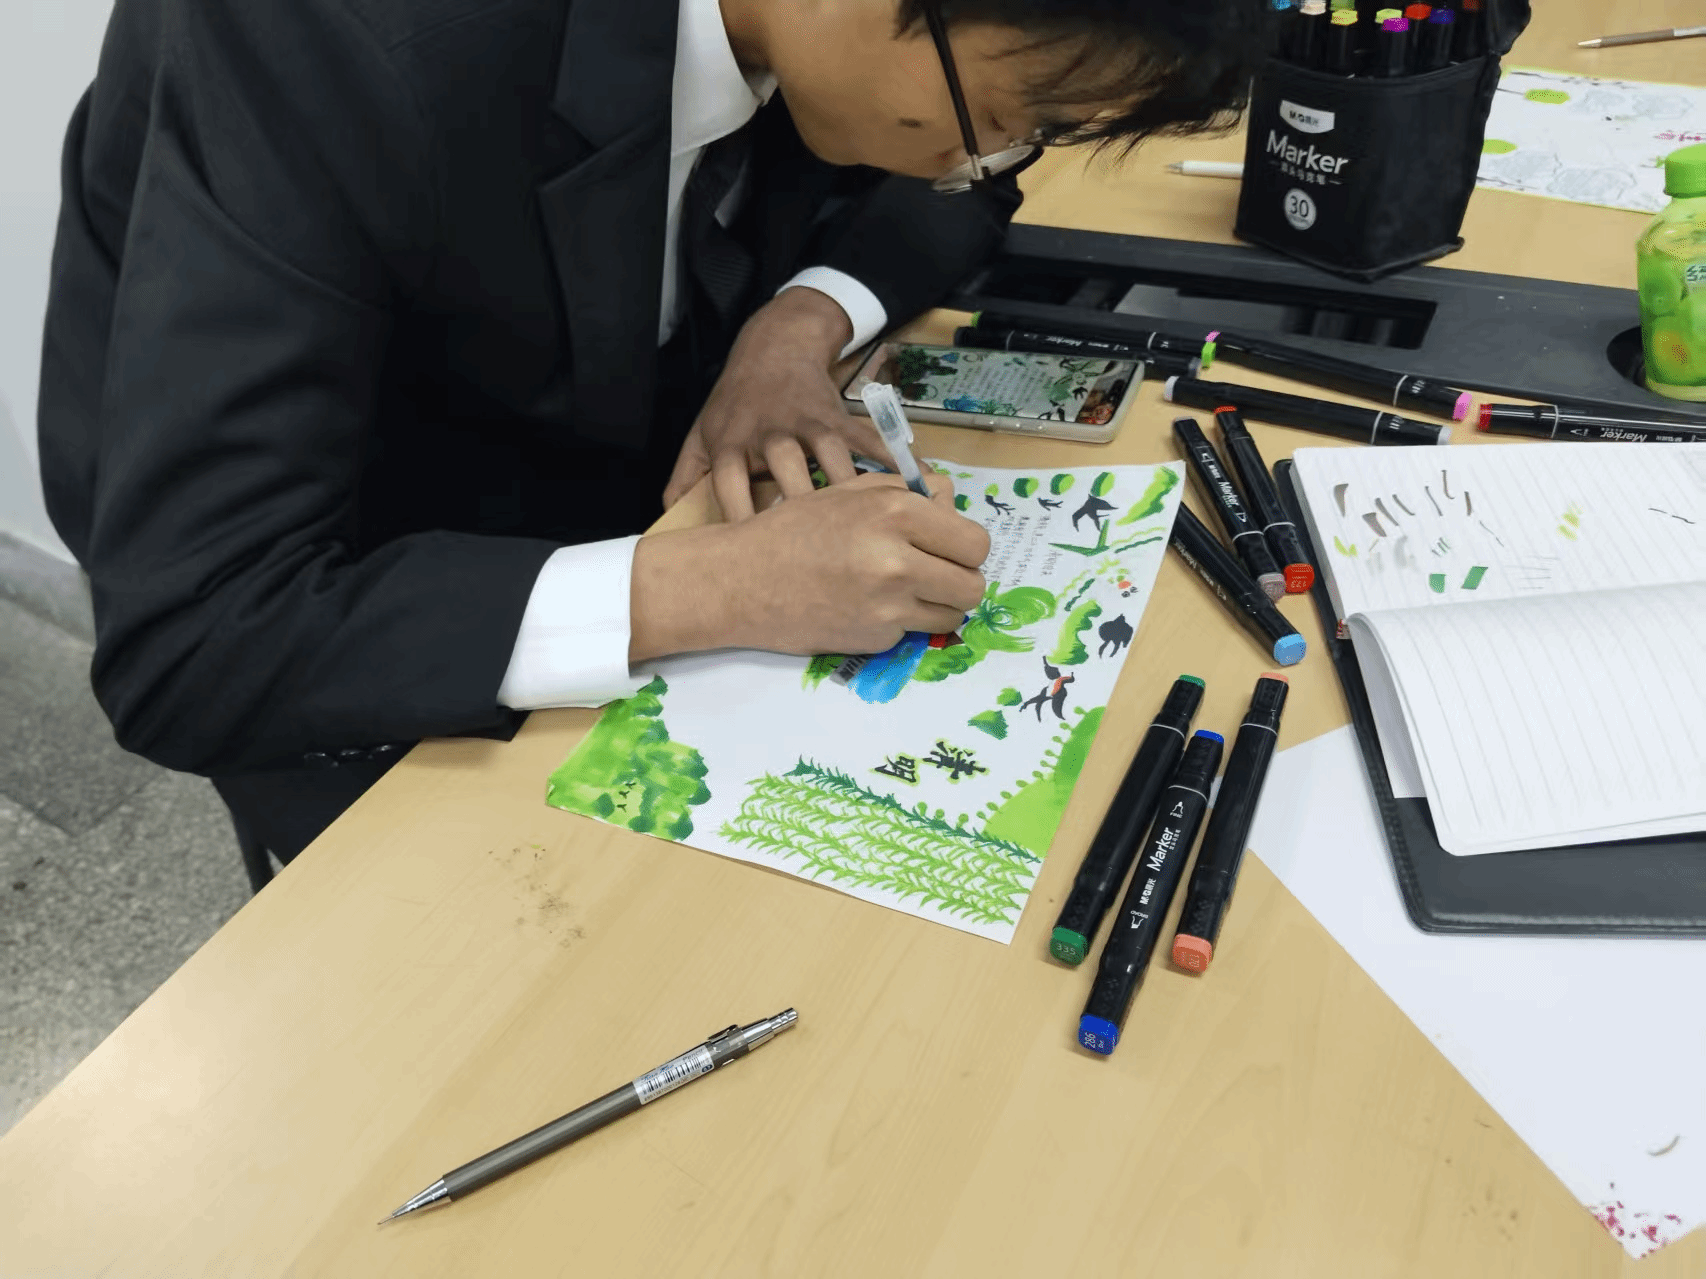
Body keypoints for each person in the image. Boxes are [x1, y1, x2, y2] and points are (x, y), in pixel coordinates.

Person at [37, 0, 1264, 861]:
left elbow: (947, 189)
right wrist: (711, 588)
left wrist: (795, 324)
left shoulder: (835, 42)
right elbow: (198, 644)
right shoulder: (321, 41)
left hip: (606, 456)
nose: (991, 158)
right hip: (356, 591)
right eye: (1008, 113)